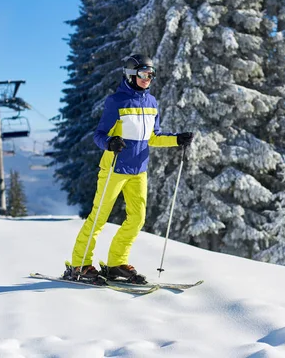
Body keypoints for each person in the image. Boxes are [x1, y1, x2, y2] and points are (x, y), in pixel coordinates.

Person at [68, 54, 194, 283]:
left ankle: (116, 263)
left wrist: (177, 140)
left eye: (151, 74)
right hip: (115, 169)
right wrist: (109, 143)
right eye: (144, 74)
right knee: (99, 218)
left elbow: (153, 137)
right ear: (131, 74)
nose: (148, 78)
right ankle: (80, 264)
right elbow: (99, 135)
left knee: (137, 218)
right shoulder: (116, 101)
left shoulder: (152, 102)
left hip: (138, 170)